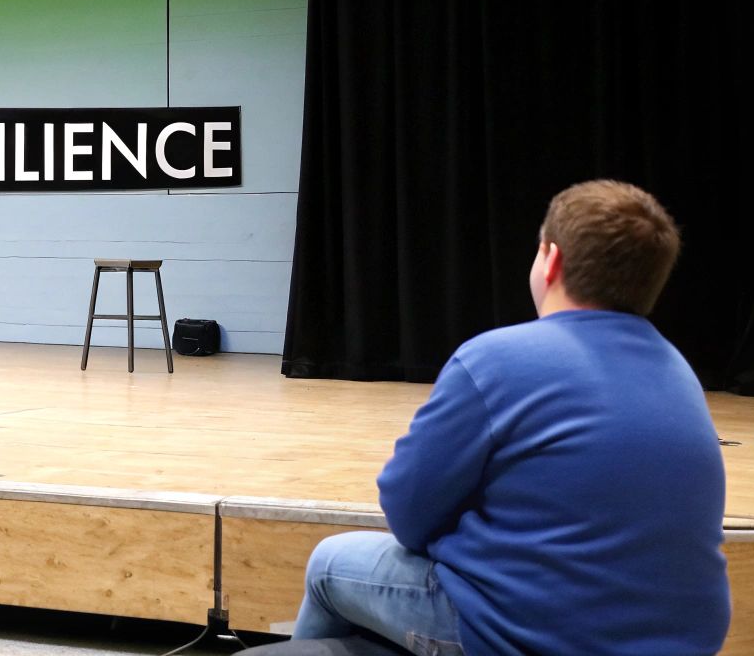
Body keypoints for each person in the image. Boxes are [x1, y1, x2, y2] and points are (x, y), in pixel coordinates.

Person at [287, 180, 731, 656]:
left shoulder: (496, 359)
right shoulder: (677, 370)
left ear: (551, 260)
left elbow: (407, 515)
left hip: (535, 635)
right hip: (682, 640)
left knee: (330, 563)